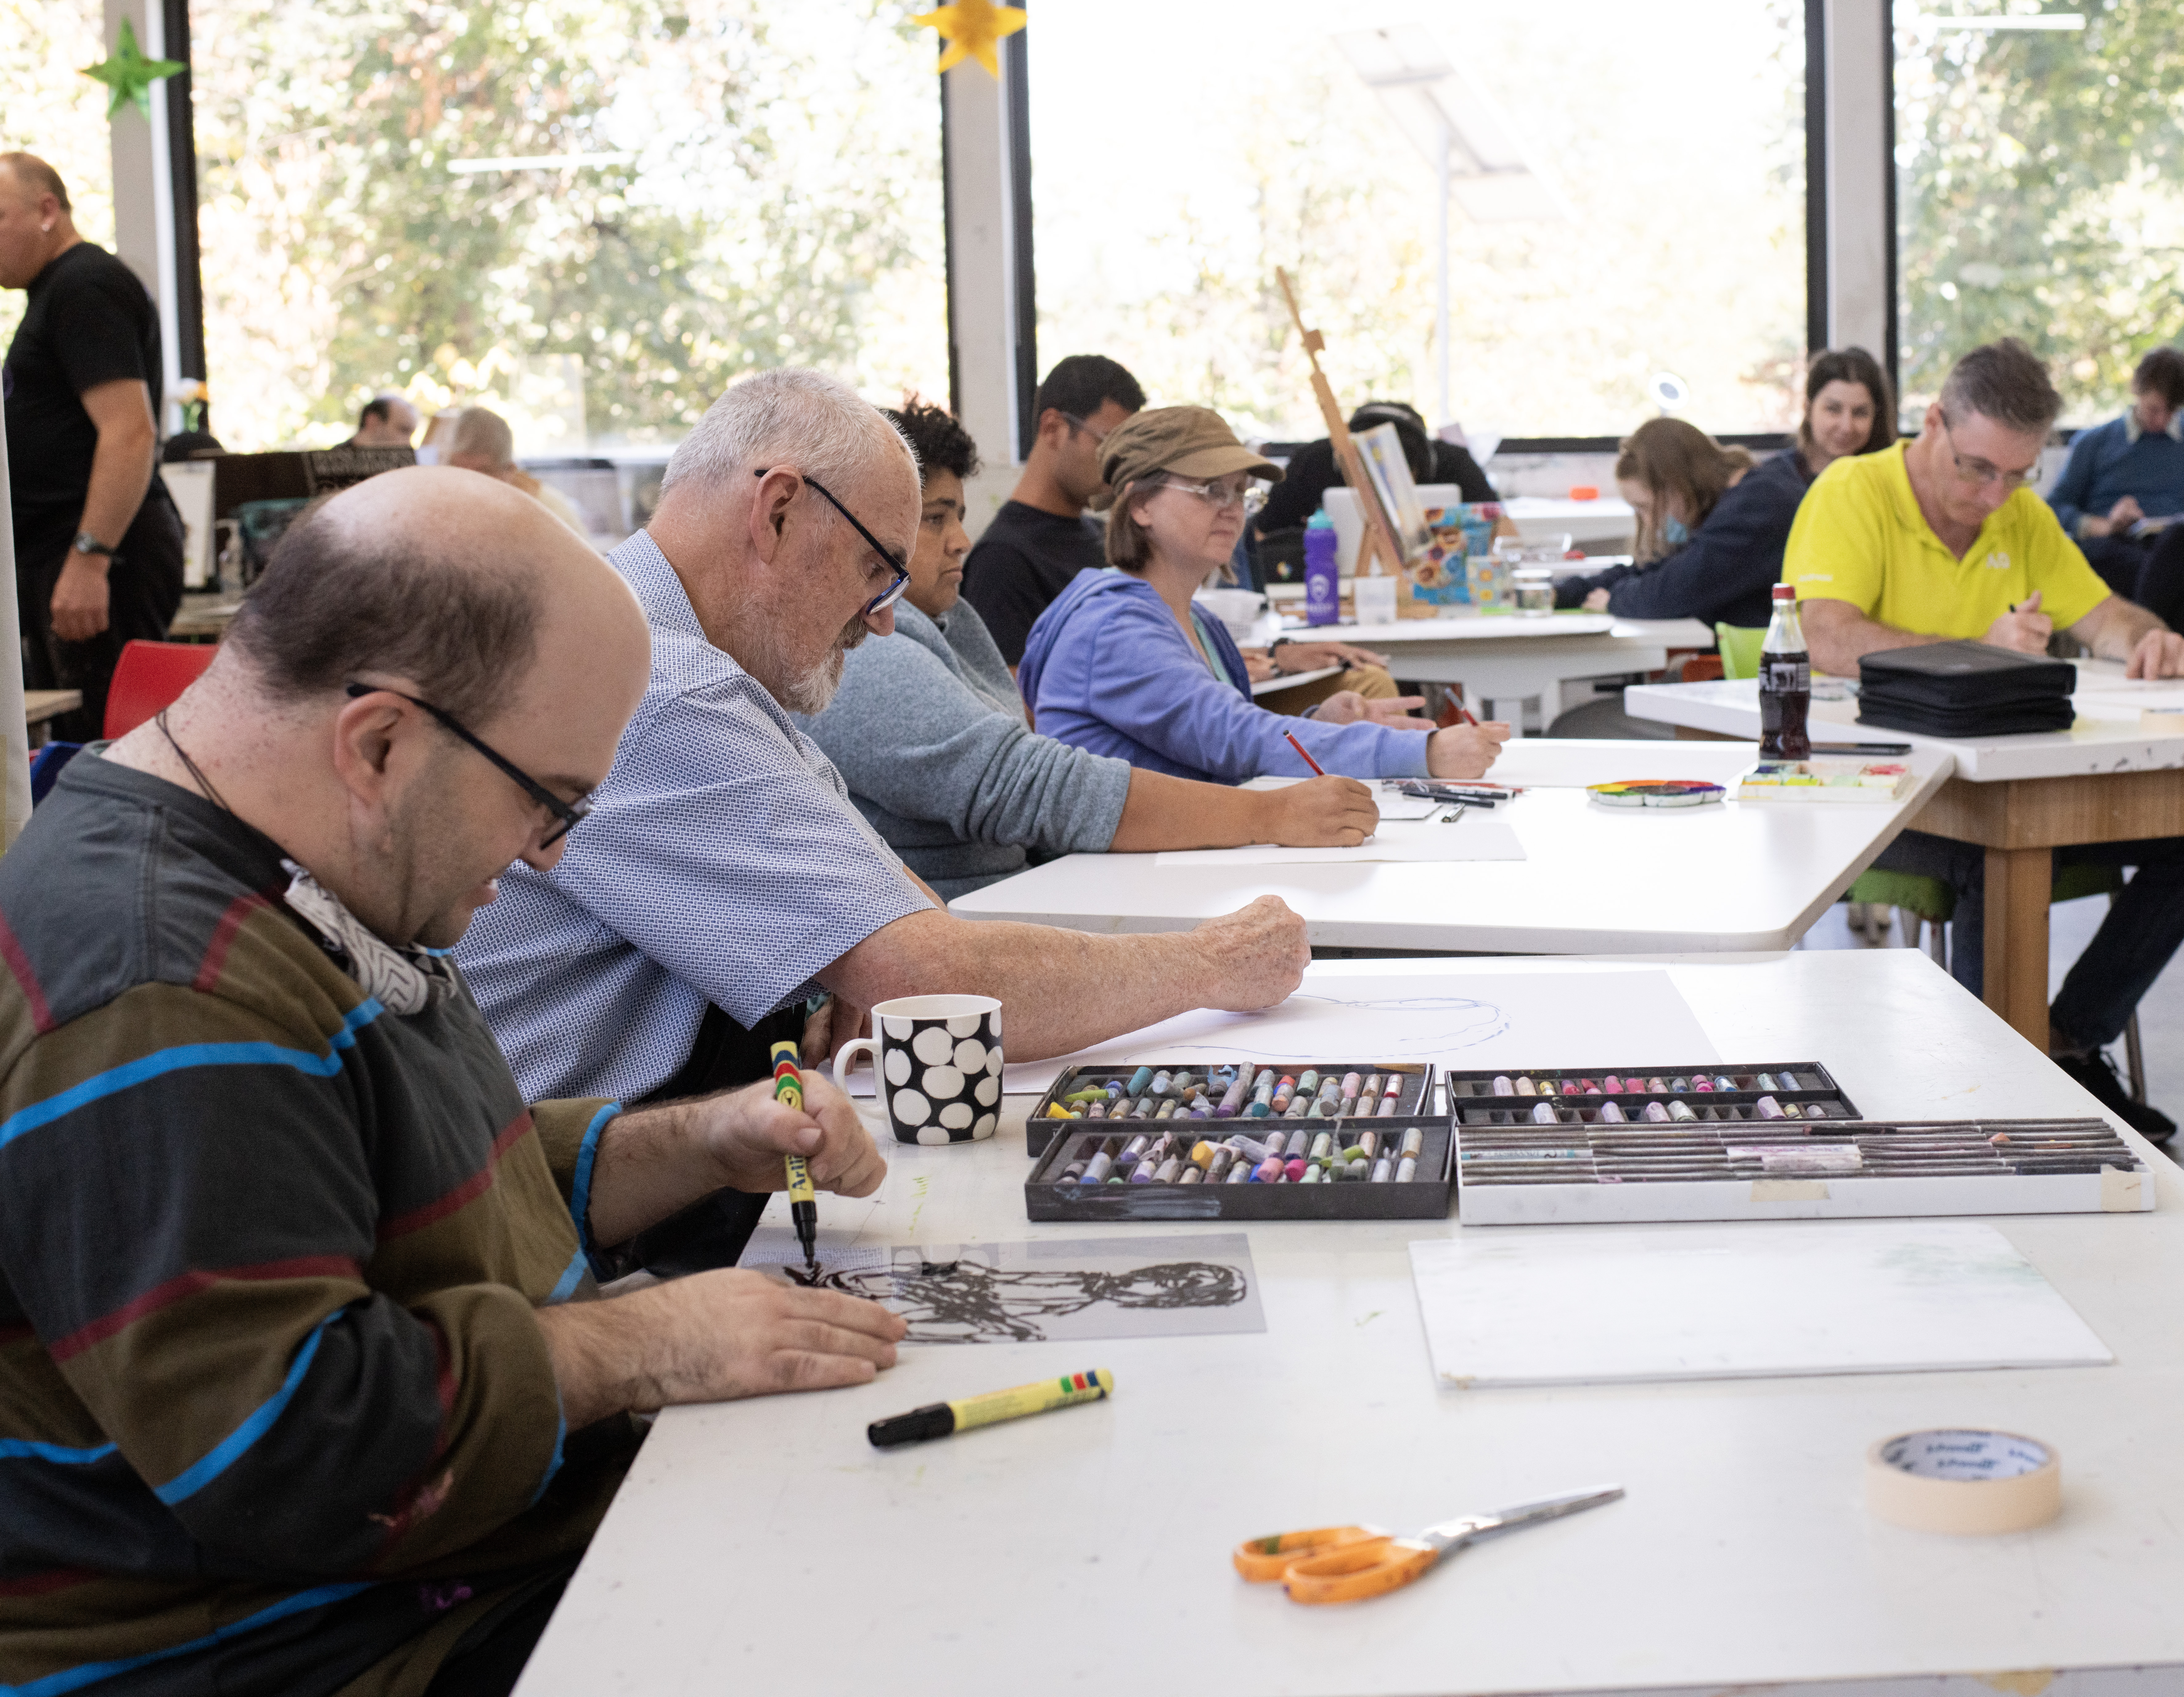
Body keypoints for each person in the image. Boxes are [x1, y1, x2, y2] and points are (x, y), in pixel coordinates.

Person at [0, 466, 908, 1696]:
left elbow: (392, 1175)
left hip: (445, 1570)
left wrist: (698, 1142)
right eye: (548, 803)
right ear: (379, 741)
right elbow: (298, 1447)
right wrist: (647, 1342)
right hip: (315, 1645)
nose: (552, 855)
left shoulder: (302, 864)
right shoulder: (162, 982)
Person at [457, 369, 1309, 1138]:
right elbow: (940, 983)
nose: (884, 620)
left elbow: (903, 920)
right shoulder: (665, 687)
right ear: (778, 511)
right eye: (876, 569)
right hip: (573, 1201)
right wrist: (1213, 963)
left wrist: (867, 968)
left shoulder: (694, 662)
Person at [1782, 337, 2184, 1141]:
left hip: (2009, 790)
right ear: (1934, 423)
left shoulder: (2020, 516)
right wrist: (1975, 652)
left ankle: (2061, 1043)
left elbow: (2105, 617)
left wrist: (2151, 640)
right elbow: (1824, 635)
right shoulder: (1853, 491)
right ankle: (1989, 1097)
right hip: (1870, 798)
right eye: (1977, 469)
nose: (1994, 494)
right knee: (1998, 848)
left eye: (2018, 474)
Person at [801, 399, 1379, 898]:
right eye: (934, 520)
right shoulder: (861, 651)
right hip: (970, 927)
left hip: (1024, 898)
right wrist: (1271, 814)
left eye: (959, 516)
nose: (962, 541)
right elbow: (1023, 784)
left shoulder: (950, 620)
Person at [1019, 405, 1510, 783]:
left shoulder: (1199, 623)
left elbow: (1212, 746)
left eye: (1240, 492)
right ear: (1141, 504)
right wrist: (1423, 754)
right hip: (1125, 877)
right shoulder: (1113, 627)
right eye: (1211, 490)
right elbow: (1234, 740)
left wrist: (1323, 722)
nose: (1233, 509)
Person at [0, 150, 185, 744]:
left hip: (101, 556)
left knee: (108, 749)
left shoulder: (85, 285)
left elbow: (130, 431)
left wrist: (90, 558)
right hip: (65, 552)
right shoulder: (57, 292)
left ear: (46, 210)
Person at [1561, 354, 1898, 622]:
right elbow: (1667, 569)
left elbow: (1681, 587)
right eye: (1833, 409)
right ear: (1809, 409)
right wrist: (1571, 592)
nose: (1846, 426)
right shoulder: (1768, 481)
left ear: (1675, 485)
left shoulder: (1764, 500)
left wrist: (1614, 599)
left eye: (1860, 413)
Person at [2046, 347, 2184, 635]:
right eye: (2154, 409)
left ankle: (2137, 639)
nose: (2162, 420)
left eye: (2172, 412)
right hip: (2114, 547)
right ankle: (2165, 640)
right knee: (2165, 574)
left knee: (2180, 539)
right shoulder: (2094, 443)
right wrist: (2106, 526)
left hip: (2175, 546)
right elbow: (2056, 507)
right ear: (2136, 390)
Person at [962, 354, 1145, 664]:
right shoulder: (1003, 561)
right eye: (1109, 444)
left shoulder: (1105, 536)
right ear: (1052, 428)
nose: (1120, 464)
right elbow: (1010, 692)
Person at [1251, 400, 1497, 539]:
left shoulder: (1454, 464)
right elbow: (1261, 535)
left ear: (1421, 467)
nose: (1386, 483)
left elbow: (1502, 530)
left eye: (1398, 475)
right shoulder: (1313, 462)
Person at [442, 404, 591, 540]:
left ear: (509, 471)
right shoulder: (445, 509)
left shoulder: (551, 516)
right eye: (459, 473)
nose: (469, 487)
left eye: (482, 475)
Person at [341, 389, 422, 449]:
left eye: (411, 435)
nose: (408, 444)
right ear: (373, 422)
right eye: (404, 430)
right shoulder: (335, 463)